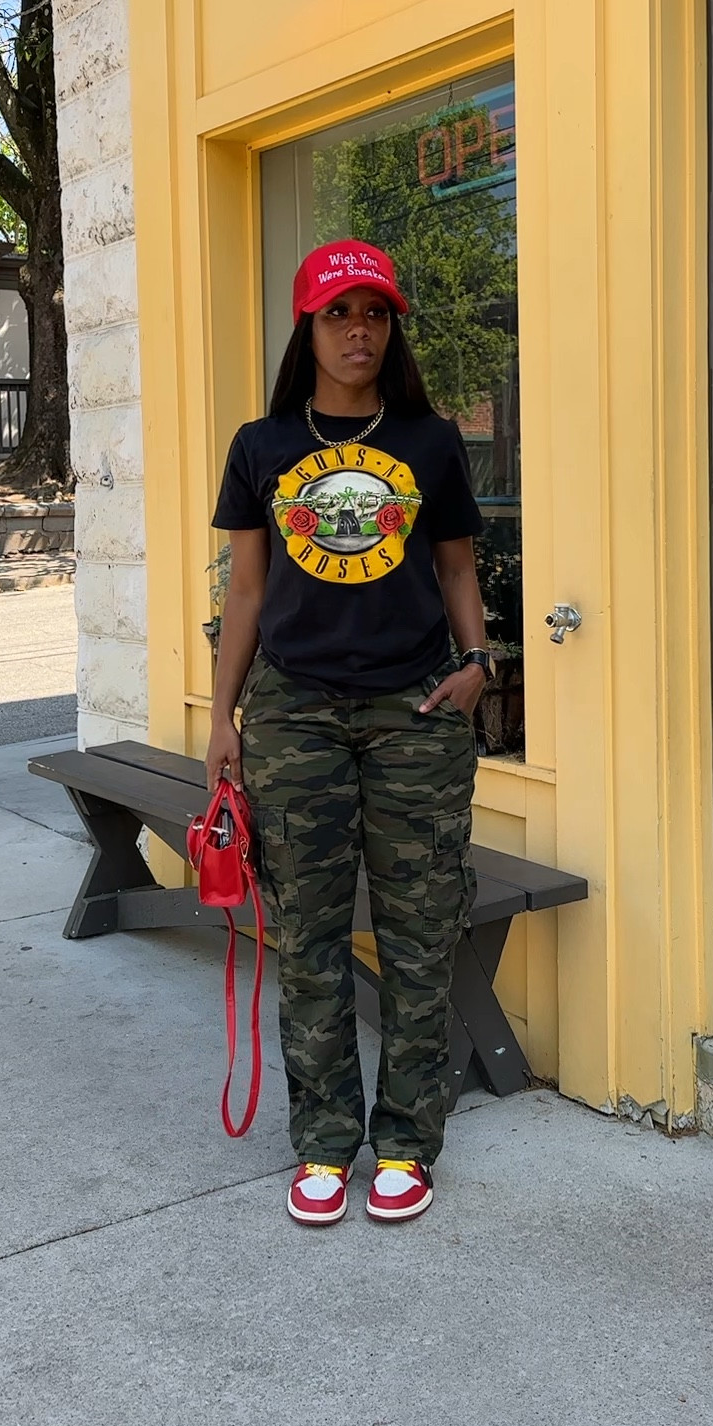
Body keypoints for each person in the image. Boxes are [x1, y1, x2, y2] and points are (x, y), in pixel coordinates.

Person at [206, 238, 492, 1225]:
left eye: (374, 312)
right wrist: (223, 716)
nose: (358, 330)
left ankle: (408, 1138)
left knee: (419, 937)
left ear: (391, 326)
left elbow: (458, 571)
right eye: (339, 314)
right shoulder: (262, 445)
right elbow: (247, 591)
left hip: (416, 710)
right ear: (309, 327)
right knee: (312, 939)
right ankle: (326, 1141)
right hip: (294, 711)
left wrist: (476, 666)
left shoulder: (430, 441)